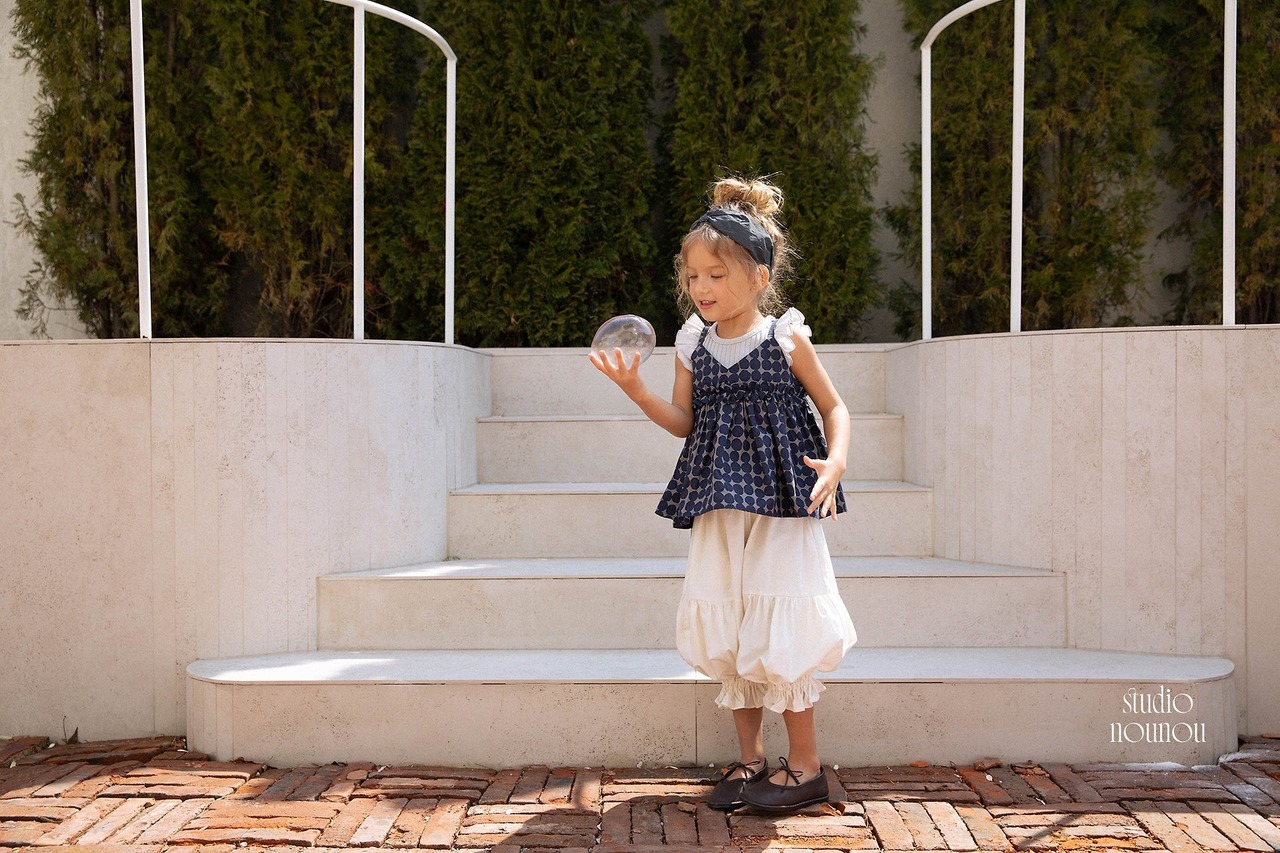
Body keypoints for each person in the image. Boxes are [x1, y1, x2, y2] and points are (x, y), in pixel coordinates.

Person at [589, 176, 857, 813]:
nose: (701, 287)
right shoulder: (693, 344)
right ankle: (750, 760)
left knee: (783, 615)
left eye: (716, 275)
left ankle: (807, 767)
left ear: (760, 277)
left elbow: (834, 406)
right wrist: (636, 390)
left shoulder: (786, 338)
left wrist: (836, 460)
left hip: (783, 498)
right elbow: (683, 422)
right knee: (733, 620)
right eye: (692, 277)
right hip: (718, 495)